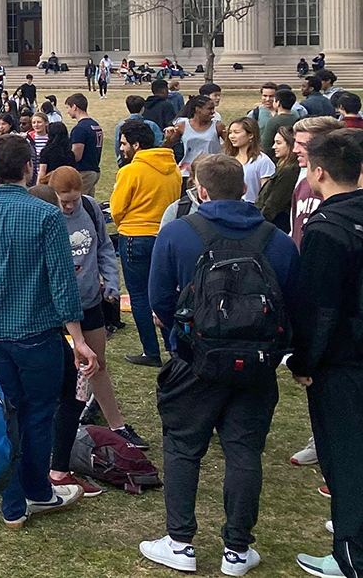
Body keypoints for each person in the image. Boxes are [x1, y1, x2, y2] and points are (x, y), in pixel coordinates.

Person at [142, 154, 298, 577]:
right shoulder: (279, 240)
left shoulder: (177, 232)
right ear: (244, 189)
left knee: (182, 447)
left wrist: (181, 337)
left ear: (201, 190)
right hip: (256, 363)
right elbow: (292, 304)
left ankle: (179, 542)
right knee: (244, 451)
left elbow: (159, 298)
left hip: (195, 360)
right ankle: (237, 550)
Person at [0, 133, 96, 530]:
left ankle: (14, 501)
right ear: (29, 168)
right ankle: (34, 492)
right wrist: (78, 339)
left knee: (5, 414)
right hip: (35, 333)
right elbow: (62, 282)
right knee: (38, 415)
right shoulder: (46, 215)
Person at [39, 167, 146, 496]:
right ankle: (55, 432)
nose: (69, 207)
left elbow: (103, 248)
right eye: (64, 202)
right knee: (59, 372)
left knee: (97, 363)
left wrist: (111, 282)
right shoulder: (44, 214)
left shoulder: (90, 208)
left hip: (88, 301)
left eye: (73, 201)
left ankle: (117, 425)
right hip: (54, 307)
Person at [288, 131, 363, 578]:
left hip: (344, 362)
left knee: (346, 458)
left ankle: (351, 557)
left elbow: (319, 307)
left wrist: (304, 362)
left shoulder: (327, 228)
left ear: (319, 172)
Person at [108, 122, 181, 367]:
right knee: (164, 294)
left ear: (136, 145)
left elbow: (117, 209)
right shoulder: (173, 169)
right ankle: (173, 348)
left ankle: (151, 351)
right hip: (165, 236)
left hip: (135, 237)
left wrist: (126, 223)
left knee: (139, 296)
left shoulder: (130, 171)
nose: (121, 148)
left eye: (123, 143)